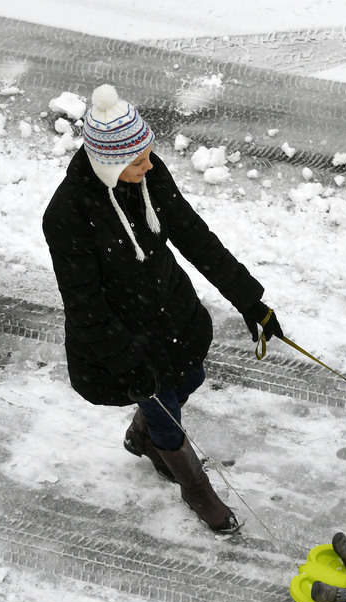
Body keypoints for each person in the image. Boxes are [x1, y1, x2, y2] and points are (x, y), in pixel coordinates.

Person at [42, 84, 282, 534]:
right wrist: (127, 363)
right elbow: (83, 305)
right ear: (108, 163)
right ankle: (193, 485)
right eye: (137, 161)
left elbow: (193, 235)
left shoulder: (147, 174)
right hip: (123, 336)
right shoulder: (67, 216)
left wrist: (249, 300)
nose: (150, 165)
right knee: (162, 404)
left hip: (172, 311)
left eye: (149, 154)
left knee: (190, 376)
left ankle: (143, 434)